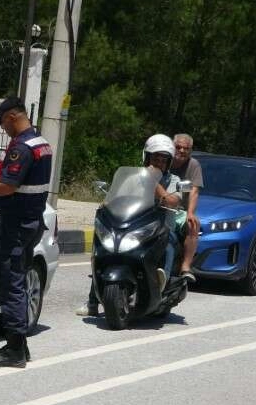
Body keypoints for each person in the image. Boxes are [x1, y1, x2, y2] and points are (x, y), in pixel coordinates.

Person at [0, 96, 52, 368]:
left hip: (16, 224)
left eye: (3, 122)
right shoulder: (41, 143)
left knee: (10, 282)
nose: (3, 128)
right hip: (31, 220)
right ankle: (19, 345)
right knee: (16, 278)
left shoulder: (22, 147)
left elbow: (8, 186)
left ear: (13, 117)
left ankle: (15, 348)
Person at [75, 134, 183, 317]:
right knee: (103, 252)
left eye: (164, 159)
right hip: (133, 224)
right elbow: (116, 196)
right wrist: (106, 204)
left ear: (169, 162)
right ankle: (93, 301)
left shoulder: (174, 180)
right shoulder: (134, 177)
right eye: (155, 157)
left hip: (161, 227)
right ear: (147, 157)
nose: (159, 162)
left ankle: (161, 286)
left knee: (170, 245)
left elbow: (173, 201)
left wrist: (154, 183)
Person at [170, 133, 203, 282]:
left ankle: (185, 267)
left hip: (178, 210)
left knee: (193, 224)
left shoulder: (193, 165)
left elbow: (194, 190)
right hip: (156, 206)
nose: (182, 151)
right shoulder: (163, 159)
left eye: (186, 148)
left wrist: (190, 212)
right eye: (178, 147)